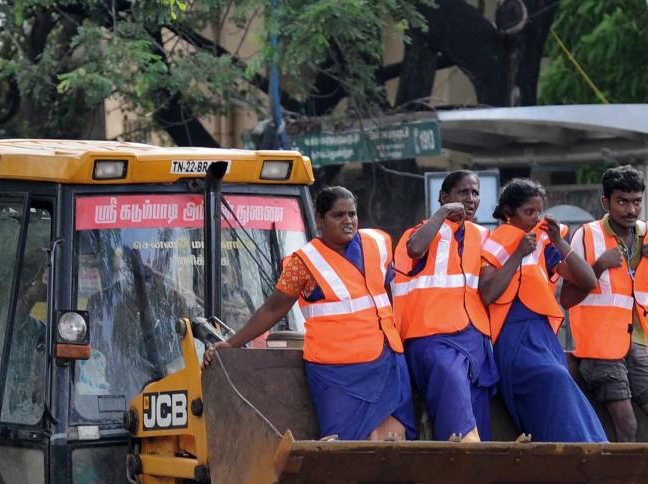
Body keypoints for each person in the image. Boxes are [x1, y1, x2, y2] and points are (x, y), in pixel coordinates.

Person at [203, 186, 416, 442]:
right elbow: (273, 308)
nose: (348, 221)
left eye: (352, 214)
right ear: (319, 219)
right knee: (340, 447)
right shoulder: (302, 263)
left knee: (394, 441)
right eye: (338, 215)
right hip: (336, 372)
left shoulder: (378, 242)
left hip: (386, 361)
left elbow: (392, 289)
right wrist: (231, 343)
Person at [562, 165, 648, 442]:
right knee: (627, 425)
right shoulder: (586, 236)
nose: (631, 209)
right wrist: (598, 266)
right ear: (605, 203)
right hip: (599, 349)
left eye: (636, 202)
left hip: (639, 347)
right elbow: (567, 298)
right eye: (622, 201)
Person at [479, 178, 607, 443]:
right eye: (529, 212)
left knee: (561, 380)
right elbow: (489, 294)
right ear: (508, 213)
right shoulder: (497, 242)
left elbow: (588, 281)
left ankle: (591, 445)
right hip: (512, 337)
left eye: (540, 211)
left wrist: (559, 243)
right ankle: (577, 445)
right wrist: (516, 255)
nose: (536, 218)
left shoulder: (543, 244)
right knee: (554, 378)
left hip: (543, 338)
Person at [393, 171, 499, 441]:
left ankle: (475, 468)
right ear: (444, 197)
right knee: (452, 388)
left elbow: (488, 290)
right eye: (463, 192)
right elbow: (414, 249)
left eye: (475, 193)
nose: (471, 198)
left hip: (474, 339)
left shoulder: (483, 235)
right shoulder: (420, 232)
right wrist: (441, 214)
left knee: (476, 408)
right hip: (430, 338)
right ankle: (463, 453)